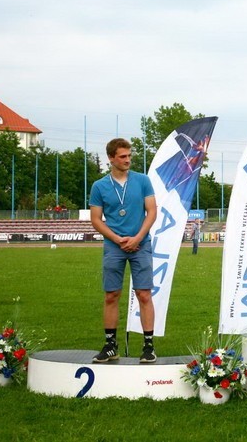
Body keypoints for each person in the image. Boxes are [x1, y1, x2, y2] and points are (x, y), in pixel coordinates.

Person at [89, 138, 158, 363]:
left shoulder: (143, 181)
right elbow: (96, 219)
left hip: (141, 245)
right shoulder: (99, 186)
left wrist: (137, 238)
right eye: (122, 156)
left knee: (144, 294)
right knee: (111, 295)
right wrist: (118, 240)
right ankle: (111, 345)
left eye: (129, 155)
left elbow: (152, 212)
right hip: (114, 246)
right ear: (111, 158)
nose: (128, 160)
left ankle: (148, 346)